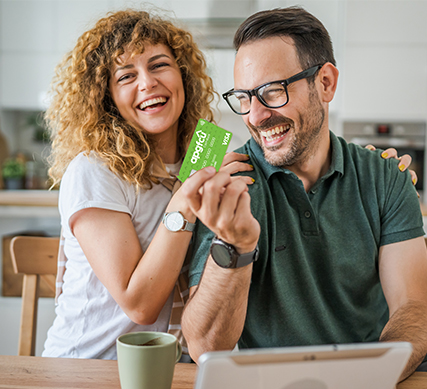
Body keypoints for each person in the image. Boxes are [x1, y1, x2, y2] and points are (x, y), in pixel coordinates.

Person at [180, 7, 427, 382]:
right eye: (245, 97)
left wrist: (372, 375)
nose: (256, 115)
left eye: (272, 92)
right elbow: (204, 347)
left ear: (326, 82)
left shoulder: (385, 179)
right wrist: (236, 243)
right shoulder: (230, 184)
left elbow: (413, 308)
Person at [41, 9, 253, 359]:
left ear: (182, 76)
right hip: (87, 368)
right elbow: (140, 305)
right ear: (106, 96)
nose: (147, 83)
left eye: (158, 66)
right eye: (126, 76)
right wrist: (185, 200)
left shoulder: (203, 153)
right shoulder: (94, 170)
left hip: (170, 369)